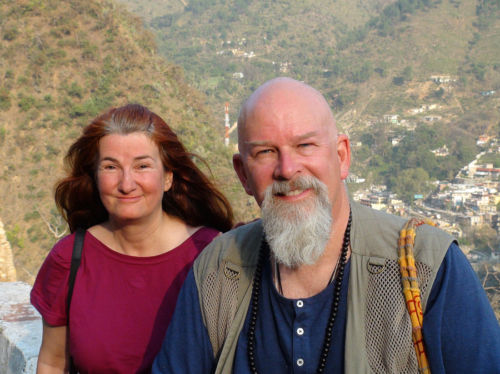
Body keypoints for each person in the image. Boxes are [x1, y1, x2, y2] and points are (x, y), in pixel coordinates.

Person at [153, 78, 500, 374]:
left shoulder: (426, 266)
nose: (287, 169)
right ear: (243, 174)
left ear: (342, 156)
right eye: (265, 153)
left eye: (305, 145)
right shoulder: (218, 271)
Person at [31, 104, 234, 373]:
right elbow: (53, 363)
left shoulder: (212, 255)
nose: (126, 184)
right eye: (111, 166)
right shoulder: (69, 260)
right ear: (95, 176)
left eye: (142, 166)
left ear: (168, 178)